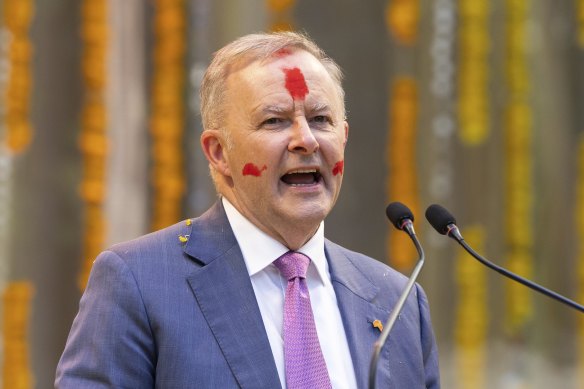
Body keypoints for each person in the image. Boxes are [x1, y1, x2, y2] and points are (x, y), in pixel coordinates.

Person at [56, 31, 439, 388]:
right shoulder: (138, 283)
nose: (305, 140)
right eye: (275, 121)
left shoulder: (398, 301)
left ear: (344, 137)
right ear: (219, 153)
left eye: (321, 119)